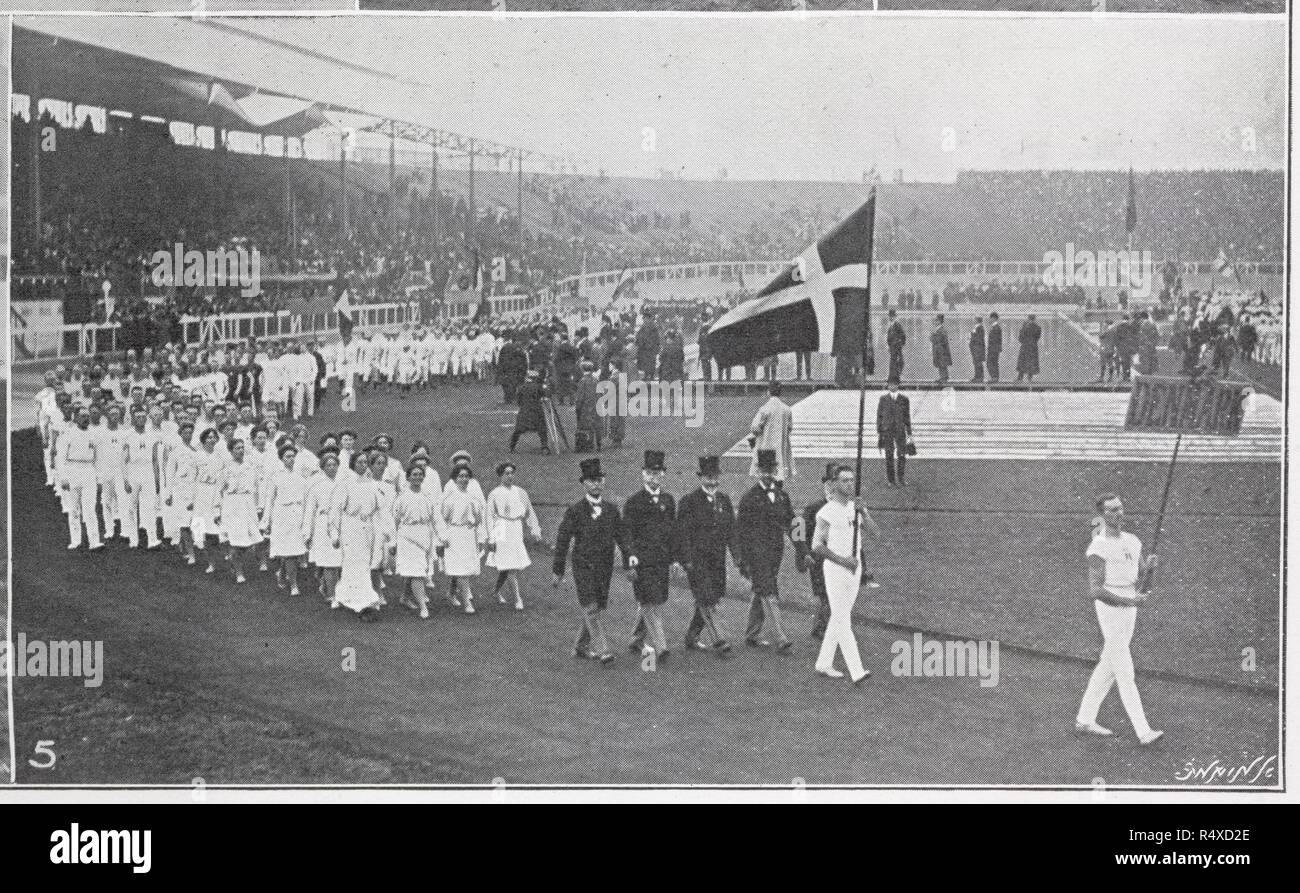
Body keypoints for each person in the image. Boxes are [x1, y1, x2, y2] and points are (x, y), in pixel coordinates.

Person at [1074, 493, 1164, 746]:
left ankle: (1084, 720)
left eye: (1120, 508)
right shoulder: (1098, 547)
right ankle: (1143, 731)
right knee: (1124, 669)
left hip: (1129, 606)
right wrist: (1128, 601)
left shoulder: (1133, 541)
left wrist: (1151, 570)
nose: (1118, 514)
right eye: (1112, 510)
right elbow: (1096, 591)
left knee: (1108, 664)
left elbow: (1141, 583)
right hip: (1110, 609)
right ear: (1102, 515)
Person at [811, 465, 879, 685]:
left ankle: (823, 662)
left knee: (839, 616)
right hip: (836, 569)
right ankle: (857, 670)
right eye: (844, 480)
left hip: (854, 569)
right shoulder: (826, 512)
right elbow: (817, 546)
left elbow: (876, 534)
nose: (850, 484)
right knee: (842, 618)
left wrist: (865, 512)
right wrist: (842, 560)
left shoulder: (855, 508)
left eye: (851, 480)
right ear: (834, 484)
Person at [553, 457, 624, 664]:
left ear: (603, 482)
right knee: (591, 606)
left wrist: (630, 561)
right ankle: (603, 650)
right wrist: (558, 570)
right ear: (584, 483)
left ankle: (580, 645)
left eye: (599, 480)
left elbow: (622, 537)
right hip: (583, 565)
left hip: (605, 565)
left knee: (597, 606)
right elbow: (563, 539)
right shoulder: (575, 511)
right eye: (591, 481)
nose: (596, 484)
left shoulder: (611, 510)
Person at [735, 449, 796, 652]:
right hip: (756, 555)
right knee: (769, 592)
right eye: (764, 471)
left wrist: (802, 549)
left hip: (775, 554)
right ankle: (780, 637)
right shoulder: (749, 498)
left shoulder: (782, 496)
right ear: (758, 471)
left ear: (776, 470)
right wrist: (742, 560)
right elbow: (740, 532)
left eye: (771, 471)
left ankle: (751, 634)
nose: (768, 475)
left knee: (761, 590)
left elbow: (793, 524)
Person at [676, 455, 736, 656]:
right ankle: (719, 639)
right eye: (708, 478)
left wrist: (738, 556)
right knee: (706, 598)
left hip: (717, 560)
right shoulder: (689, 501)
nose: (712, 482)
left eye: (715, 477)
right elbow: (682, 533)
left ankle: (691, 636)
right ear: (700, 478)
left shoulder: (724, 500)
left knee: (713, 596)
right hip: (696, 560)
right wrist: (685, 560)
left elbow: (731, 531)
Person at [622, 449, 676, 661]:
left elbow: (672, 532)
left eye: (658, 473)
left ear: (663, 474)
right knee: (649, 601)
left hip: (661, 560)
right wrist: (630, 560)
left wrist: (673, 559)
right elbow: (627, 534)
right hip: (642, 561)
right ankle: (660, 646)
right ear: (643, 474)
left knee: (654, 598)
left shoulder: (668, 500)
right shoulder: (634, 502)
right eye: (650, 473)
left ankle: (636, 638)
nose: (654, 477)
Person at [328, 452, 384, 621]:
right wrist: (334, 533)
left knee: (364, 563)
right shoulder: (345, 484)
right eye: (359, 462)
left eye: (365, 462)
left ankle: (345, 595)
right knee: (355, 563)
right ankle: (362, 604)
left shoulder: (371, 484)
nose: (363, 465)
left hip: (367, 528)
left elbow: (380, 508)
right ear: (353, 464)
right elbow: (335, 510)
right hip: (350, 528)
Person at [795, 463, 842, 641]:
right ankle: (822, 627)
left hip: (837, 558)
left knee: (834, 594)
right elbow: (799, 531)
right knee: (825, 594)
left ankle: (823, 626)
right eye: (830, 483)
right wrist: (802, 555)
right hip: (819, 558)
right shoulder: (814, 508)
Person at [486, 461, 542, 611]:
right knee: (510, 566)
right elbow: (489, 516)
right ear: (500, 476)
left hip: (516, 528)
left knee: (508, 566)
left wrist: (534, 529)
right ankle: (517, 598)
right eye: (506, 473)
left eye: (512, 473)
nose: (510, 476)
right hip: (501, 528)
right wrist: (491, 538)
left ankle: (495, 591)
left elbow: (529, 511)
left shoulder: (520, 492)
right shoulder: (494, 494)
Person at [392, 464, 442, 619]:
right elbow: (394, 521)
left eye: (420, 474)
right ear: (408, 478)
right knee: (417, 571)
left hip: (425, 537)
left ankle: (405, 597)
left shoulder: (427, 496)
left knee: (415, 570)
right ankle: (423, 606)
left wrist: (442, 537)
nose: (418, 477)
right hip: (407, 537)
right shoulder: (401, 498)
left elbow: (436, 519)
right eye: (414, 474)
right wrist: (392, 542)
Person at [440, 463, 488, 614]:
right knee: (461, 570)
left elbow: (479, 517)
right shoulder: (450, 498)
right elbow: (443, 519)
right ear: (455, 479)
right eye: (461, 476)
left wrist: (474, 525)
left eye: (466, 476)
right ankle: (467, 602)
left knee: (463, 568)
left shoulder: (472, 497)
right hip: (454, 535)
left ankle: (452, 593)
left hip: (467, 535)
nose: (464, 479)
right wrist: (444, 536)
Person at [213, 438, 262, 584]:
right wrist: (217, 510)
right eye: (237, 448)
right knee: (235, 542)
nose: (240, 450)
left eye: (242, 448)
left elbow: (256, 489)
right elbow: (219, 490)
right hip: (232, 506)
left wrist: (258, 507)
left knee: (249, 542)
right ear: (231, 451)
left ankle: (234, 562)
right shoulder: (226, 469)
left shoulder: (250, 467)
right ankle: (239, 572)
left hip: (248, 505)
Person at [263, 442, 309, 596]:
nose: (291, 459)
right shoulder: (276, 477)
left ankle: (282, 574)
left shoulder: (300, 476)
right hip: (282, 516)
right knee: (288, 551)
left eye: (293, 456)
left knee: (295, 551)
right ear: (281, 459)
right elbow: (270, 499)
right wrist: (267, 521)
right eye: (288, 456)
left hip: (298, 515)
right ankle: (294, 584)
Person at [58, 406, 103, 551]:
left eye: (87, 416)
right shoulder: (68, 434)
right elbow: (60, 458)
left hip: (89, 471)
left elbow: (98, 459)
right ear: (75, 418)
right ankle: (75, 540)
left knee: (90, 508)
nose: (86, 419)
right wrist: (63, 477)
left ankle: (94, 541)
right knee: (74, 509)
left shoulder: (94, 434)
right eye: (82, 416)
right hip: (72, 470)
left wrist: (99, 478)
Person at [304, 449, 343, 607]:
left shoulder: (343, 484)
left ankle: (330, 587)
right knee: (329, 562)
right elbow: (309, 511)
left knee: (340, 561)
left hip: (340, 524)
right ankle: (333, 595)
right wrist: (307, 533)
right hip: (323, 524)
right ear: (323, 467)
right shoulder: (317, 486)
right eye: (328, 465)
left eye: (334, 465)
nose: (332, 468)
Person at [120, 406, 163, 550]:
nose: (141, 419)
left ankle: (152, 538)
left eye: (143, 417)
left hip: (148, 472)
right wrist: (125, 480)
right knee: (131, 507)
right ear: (132, 418)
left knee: (150, 506)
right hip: (133, 471)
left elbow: (155, 460)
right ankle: (133, 539)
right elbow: (124, 460)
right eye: (138, 417)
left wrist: (157, 479)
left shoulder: (153, 436)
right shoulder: (128, 435)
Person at [748, 380, 795, 481]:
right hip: (780, 445)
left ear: (768, 391)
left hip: (766, 445)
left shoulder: (765, 409)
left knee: (765, 474)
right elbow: (790, 428)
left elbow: (755, 428)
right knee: (779, 472)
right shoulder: (786, 409)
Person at [876, 378, 912, 487]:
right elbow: (879, 415)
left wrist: (909, 432)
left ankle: (901, 478)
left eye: (893, 384)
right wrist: (879, 430)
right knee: (889, 455)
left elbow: (907, 416)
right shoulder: (883, 399)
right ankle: (891, 480)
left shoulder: (904, 399)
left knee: (901, 454)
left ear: (897, 385)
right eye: (889, 384)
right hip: (887, 430)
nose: (891, 386)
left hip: (900, 430)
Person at [510, 370, 550, 454]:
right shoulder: (538, 387)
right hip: (537, 411)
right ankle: (544, 447)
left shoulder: (521, 387)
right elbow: (546, 394)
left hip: (524, 412)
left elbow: (518, 401)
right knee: (542, 430)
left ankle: (512, 447)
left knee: (518, 430)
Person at [574, 361, 602, 453]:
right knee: (596, 427)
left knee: (586, 427)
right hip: (596, 406)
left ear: (582, 369)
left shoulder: (583, 381)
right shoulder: (596, 380)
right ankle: (598, 445)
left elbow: (580, 397)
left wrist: (577, 408)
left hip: (586, 408)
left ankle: (587, 445)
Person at [1016, 314, 1042, 383]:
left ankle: (1020, 378)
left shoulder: (1025, 327)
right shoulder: (1038, 328)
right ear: (1034, 319)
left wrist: (1023, 327)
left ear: (1028, 319)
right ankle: (1029, 379)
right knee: (1032, 362)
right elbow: (1037, 338)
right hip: (1033, 347)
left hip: (1025, 346)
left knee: (1022, 362)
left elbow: (1020, 338)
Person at [885, 309, 906, 382]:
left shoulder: (897, 324)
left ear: (895, 317)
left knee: (897, 362)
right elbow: (889, 337)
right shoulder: (891, 325)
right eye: (890, 316)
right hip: (892, 347)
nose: (891, 318)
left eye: (892, 316)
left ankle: (896, 378)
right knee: (893, 362)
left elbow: (903, 336)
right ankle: (892, 378)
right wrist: (888, 345)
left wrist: (899, 345)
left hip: (896, 347)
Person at [930, 315, 951, 383]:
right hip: (937, 349)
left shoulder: (942, 329)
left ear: (940, 321)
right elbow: (931, 338)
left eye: (936, 320)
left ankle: (944, 378)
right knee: (939, 363)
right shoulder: (936, 329)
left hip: (942, 350)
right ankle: (942, 377)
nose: (935, 322)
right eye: (935, 320)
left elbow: (941, 340)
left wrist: (934, 337)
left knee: (942, 364)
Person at [986, 312, 1003, 382]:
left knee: (991, 362)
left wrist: (993, 348)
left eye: (990, 318)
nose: (989, 320)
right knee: (993, 363)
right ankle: (995, 377)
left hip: (994, 349)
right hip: (994, 348)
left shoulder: (996, 328)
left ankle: (994, 377)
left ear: (994, 318)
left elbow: (996, 339)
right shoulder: (994, 327)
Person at [969, 315, 986, 382]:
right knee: (976, 362)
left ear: (977, 320)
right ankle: (976, 376)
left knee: (978, 363)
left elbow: (979, 338)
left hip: (978, 349)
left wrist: (972, 336)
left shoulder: (980, 328)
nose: (973, 320)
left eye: (974, 319)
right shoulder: (976, 327)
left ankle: (980, 377)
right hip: (975, 348)